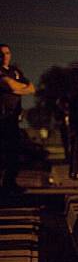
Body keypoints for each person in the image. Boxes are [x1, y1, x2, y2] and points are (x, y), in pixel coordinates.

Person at [0, 44, 35, 195]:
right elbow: (8, 83)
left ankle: (10, 183)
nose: (5, 56)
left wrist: (16, 88)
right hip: (2, 117)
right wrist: (17, 87)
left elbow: (32, 87)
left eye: (7, 53)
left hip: (13, 119)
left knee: (13, 152)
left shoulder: (15, 71)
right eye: (2, 53)